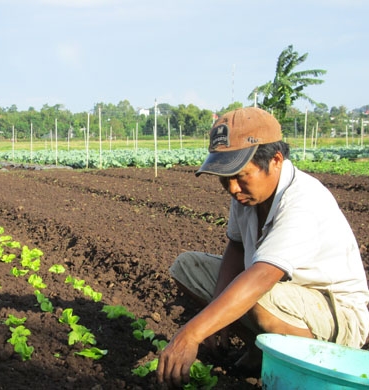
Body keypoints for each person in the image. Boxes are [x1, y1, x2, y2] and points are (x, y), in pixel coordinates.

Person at [156, 106, 369, 387]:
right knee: (188, 267)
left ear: (276, 160)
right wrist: (216, 320)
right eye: (224, 178)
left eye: (241, 175)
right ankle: (259, 350)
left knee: (255, 293)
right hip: (283, 296)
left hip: (336, 312)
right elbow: (236, 246)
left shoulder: (303, 201)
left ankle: (305, 370)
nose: (232, 188)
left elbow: (262, 278)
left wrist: (191, 333)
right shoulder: (246, 195)